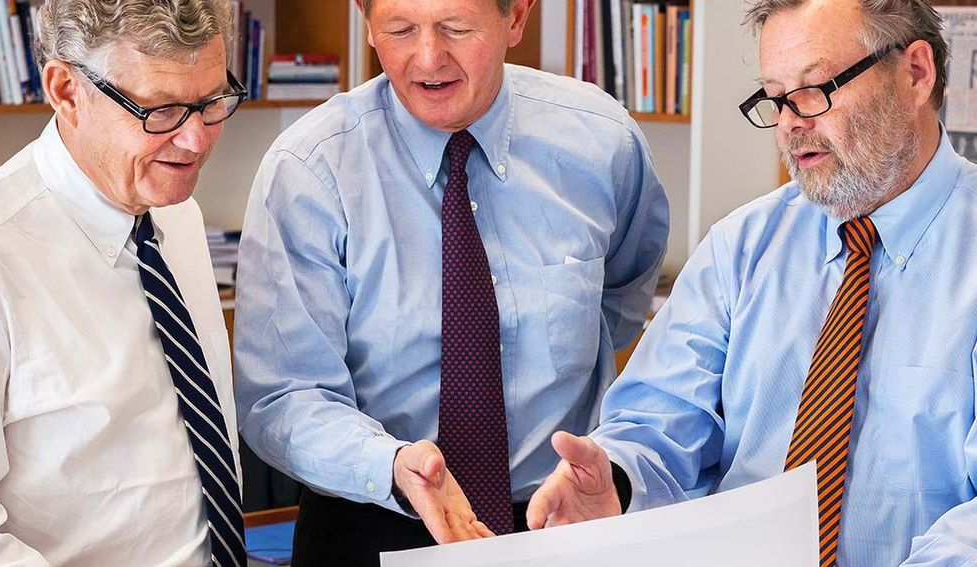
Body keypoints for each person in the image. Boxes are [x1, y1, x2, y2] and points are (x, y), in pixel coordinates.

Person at [527, 0, 977, 564]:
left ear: (915, 73)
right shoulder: (740, 246)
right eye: (775, 97)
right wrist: (614, 481)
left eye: (815, 89)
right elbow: (661, 420)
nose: (790, 123)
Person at [234, 0, 669, 564]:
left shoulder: (603, 142)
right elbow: (282, 394)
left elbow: (622, 297)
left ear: (516, 18)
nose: (428, 58)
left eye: (456, 29)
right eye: (400, 30)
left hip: (562, 524)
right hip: (374, 516)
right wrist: (387, 466)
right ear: (366, 24)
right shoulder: (311, 169)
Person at [0, 1, 248, 565]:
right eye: (162, 109)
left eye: (211, 101)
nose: (196, 141)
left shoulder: (176, 215)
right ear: (66, 91)